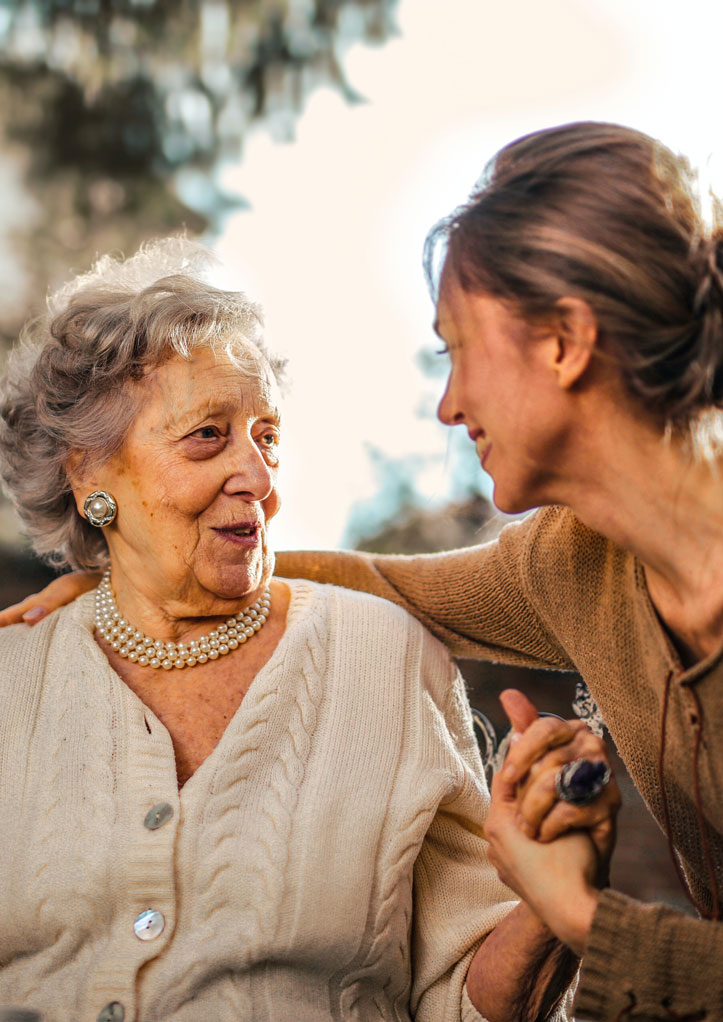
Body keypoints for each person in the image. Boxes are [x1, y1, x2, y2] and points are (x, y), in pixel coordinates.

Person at [9, 121, 722, 1020]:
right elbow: (389, 581)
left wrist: (577, 913)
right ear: (88, 473)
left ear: (565, 342)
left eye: (457, 348)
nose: (448, 402)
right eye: (205, 437)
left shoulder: (402, 658)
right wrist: (130, 577)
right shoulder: (571, 565)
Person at [0, 238, 584, 1022]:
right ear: (88, 472)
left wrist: (552, 907)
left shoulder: (385, 659)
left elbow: (460, 998)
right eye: (208, 434)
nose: (260, 477)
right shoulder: (14, 675)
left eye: (266, 436)